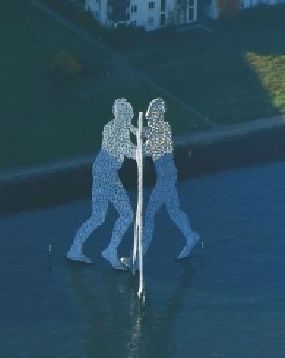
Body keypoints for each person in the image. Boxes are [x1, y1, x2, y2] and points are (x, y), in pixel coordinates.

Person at [67, 99, 135, 270]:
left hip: (103, 172)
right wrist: (146, 149)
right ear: (120, 114)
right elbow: (128, 150)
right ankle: (110, 250)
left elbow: (128, 146)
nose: (128, 116)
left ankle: (75, 249)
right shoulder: (115, 129)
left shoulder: (115, 126)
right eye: (126, 113)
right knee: (126, 214)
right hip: (106, 175)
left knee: (99, 216)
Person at [141, 98, 199, 261]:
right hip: (167, 177)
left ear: (158, 115)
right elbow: (147, 139)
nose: (150, 118)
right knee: (174, 211)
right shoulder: (155, 130)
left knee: (150, 215)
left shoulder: (163, 128)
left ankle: (138, 258)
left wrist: (139, 142)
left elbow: (150, 147)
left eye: (152, 115)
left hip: (166, 178)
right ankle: (190, 236)